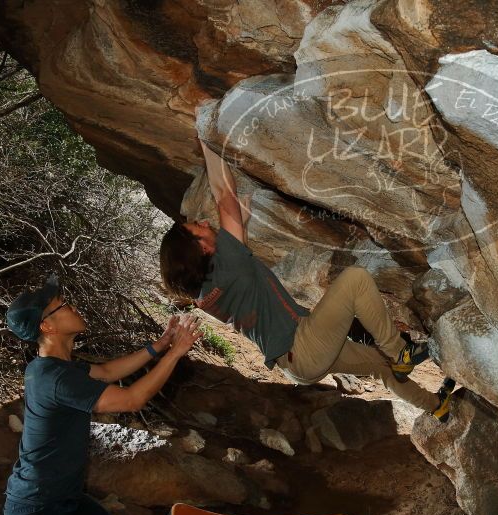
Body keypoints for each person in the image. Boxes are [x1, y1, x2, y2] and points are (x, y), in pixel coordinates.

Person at [160, 137, 454, 421]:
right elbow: (224, 192)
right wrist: (209, 141)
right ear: (199, 248)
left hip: (296, 366)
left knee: (380, 367)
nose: (203, 222)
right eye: (196, 228)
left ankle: (436, 407)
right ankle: (400, 351)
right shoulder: (228, 261)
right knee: (356, 279)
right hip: (302, 345)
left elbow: (246, 278)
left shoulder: (204, 297)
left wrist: (242, 228)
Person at [2, 273, 203, 515]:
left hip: (65, 498)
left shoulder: (52, 367)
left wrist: (162, 344)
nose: (73, 308)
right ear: (47, 327)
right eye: (63, 306)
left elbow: (107, 371)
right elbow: (132, 400)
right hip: (38, 510)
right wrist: (176, 352)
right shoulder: (55, 378)